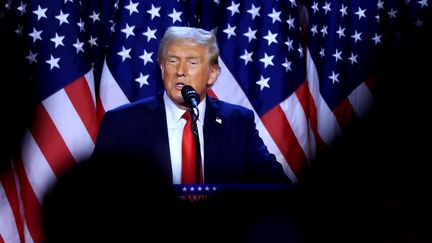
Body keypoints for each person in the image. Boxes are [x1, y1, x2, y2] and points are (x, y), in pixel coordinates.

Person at [92, 26, 290, 185]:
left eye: (192, 63)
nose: (180, 71)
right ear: (162, 68)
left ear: (212, 74)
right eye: (172, 61)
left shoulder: (237, 121)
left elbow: (274, 183)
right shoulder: (123, 123)